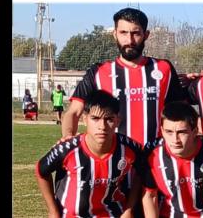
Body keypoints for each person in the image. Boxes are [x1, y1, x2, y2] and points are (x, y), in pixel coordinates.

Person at [61, 8, 189, 146]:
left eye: (136, 33)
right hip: (115, 157)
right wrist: (68, 137)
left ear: (146, 35)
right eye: (123, 33)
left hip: (156, 156)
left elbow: (182, 112)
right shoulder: (98, 72)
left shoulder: (164, 68)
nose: (129, 40)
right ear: (115, 34)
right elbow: (73, 112)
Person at [36, 90, 145, 218]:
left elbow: (141, 172)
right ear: (85, 119)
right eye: (95, 119)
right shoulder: (68, 149)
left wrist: (129, 209)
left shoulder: (129, 148)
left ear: (117, 121)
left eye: (109, 119)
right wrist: (53, 211)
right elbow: (41, 171)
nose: (102, 126)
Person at [142, 101, 203, 218]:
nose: (175, 139)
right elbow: (150, 196)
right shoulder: (152, 153)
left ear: (195, 131)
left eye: (182, 132)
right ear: (161, 131)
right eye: (169, 132)